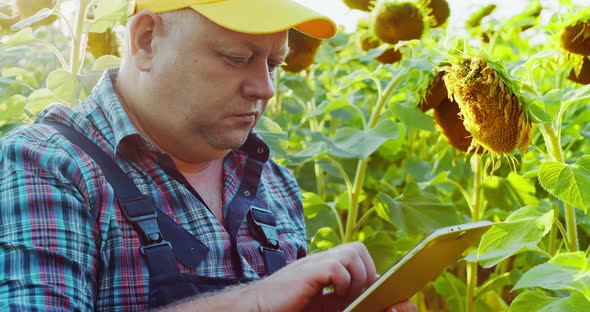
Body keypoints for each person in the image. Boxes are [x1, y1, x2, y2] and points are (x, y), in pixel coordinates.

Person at [0, 0, 417, 311]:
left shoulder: (273, 183)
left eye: (274, 63)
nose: (265, 87)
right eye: (237, 58)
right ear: (146, 41)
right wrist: (256, 300)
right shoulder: (48, 164)